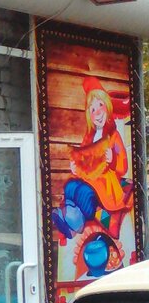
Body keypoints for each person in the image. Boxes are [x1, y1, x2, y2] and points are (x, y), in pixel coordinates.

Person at [51, 76, 132, 242]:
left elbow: (123, 166)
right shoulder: (89, 137)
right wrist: (76, 168)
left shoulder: (114, 136)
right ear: (89, 114)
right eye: (93, 109)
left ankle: (74, 224)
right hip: (88, 178)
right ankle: (69, 223)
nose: (98, 112)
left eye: (100, 105)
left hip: (106, 184)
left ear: (107, 107)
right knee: (70, 186)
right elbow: (82, 158)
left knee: (84, 193)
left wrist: (113, 160)